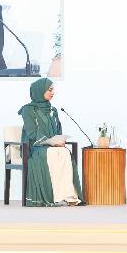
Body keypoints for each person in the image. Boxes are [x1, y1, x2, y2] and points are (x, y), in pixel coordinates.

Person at [17, 78, 83, 206]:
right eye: (50, 90)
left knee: (65, 152)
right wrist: (49, 142)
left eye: (53, 90)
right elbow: (32, 133)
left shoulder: (53, 110)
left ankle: (68, 195)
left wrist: (59, 141)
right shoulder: (28, 110)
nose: (53, 92)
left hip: (51, 146)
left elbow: (57, 130)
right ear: (40, 90)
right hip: (34, 147)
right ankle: (53, 196)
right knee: (52, 154)